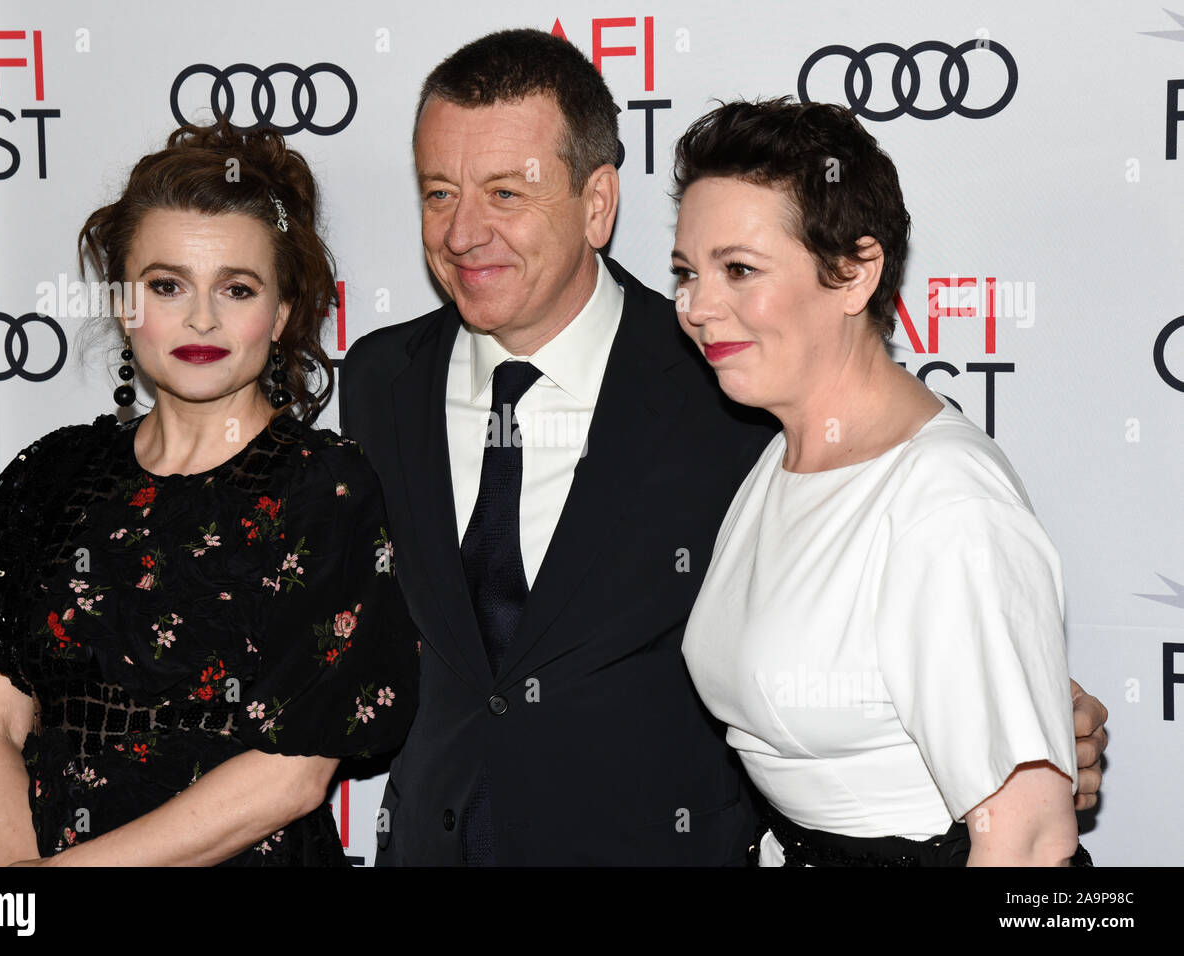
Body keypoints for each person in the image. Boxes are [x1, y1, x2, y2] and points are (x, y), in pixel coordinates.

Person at [339, 29, 1107, 865]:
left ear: (597, 204)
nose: (462, 233)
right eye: (439, 193)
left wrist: (1036, 735)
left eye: (506, 193)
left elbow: (940, 572)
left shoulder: (729, 392)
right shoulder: (382, 380)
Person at [0, 121, 419, 866]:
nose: (201, 318)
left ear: (281, 314)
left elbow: (294, 774)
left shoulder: (324, 487)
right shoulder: (52, 474)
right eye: (167, 285)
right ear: (123, 302)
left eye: (236, 288)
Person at [675, 98, 1094, 865]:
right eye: (687, 272)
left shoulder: (944, 497)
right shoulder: (777, 458)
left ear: (855, 272)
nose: (698, 306)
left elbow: (1030, 843)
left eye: (739, 269)